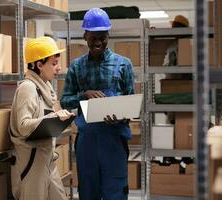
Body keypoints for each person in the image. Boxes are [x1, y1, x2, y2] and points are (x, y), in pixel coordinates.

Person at [60, 8, 135, 200]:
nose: (99, 42)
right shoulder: (76, 67)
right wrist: (84, 95)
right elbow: (65, 101)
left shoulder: (123, 64)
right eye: (94, 38)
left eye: (103, 37)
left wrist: (121, 115)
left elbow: (132, 103)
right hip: (88, 141)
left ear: (108, 35)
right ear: (85, 35)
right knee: (88, 191)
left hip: (114, 138)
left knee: (116, 191)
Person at [9, 36, 74, 200]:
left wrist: (57, 119)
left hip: (47, 160)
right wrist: (53, 117)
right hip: (31, 163)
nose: (58, 68)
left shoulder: (45, 88)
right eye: (53, 64)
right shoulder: (28, 88)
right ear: (39, 65)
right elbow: (23, 125)